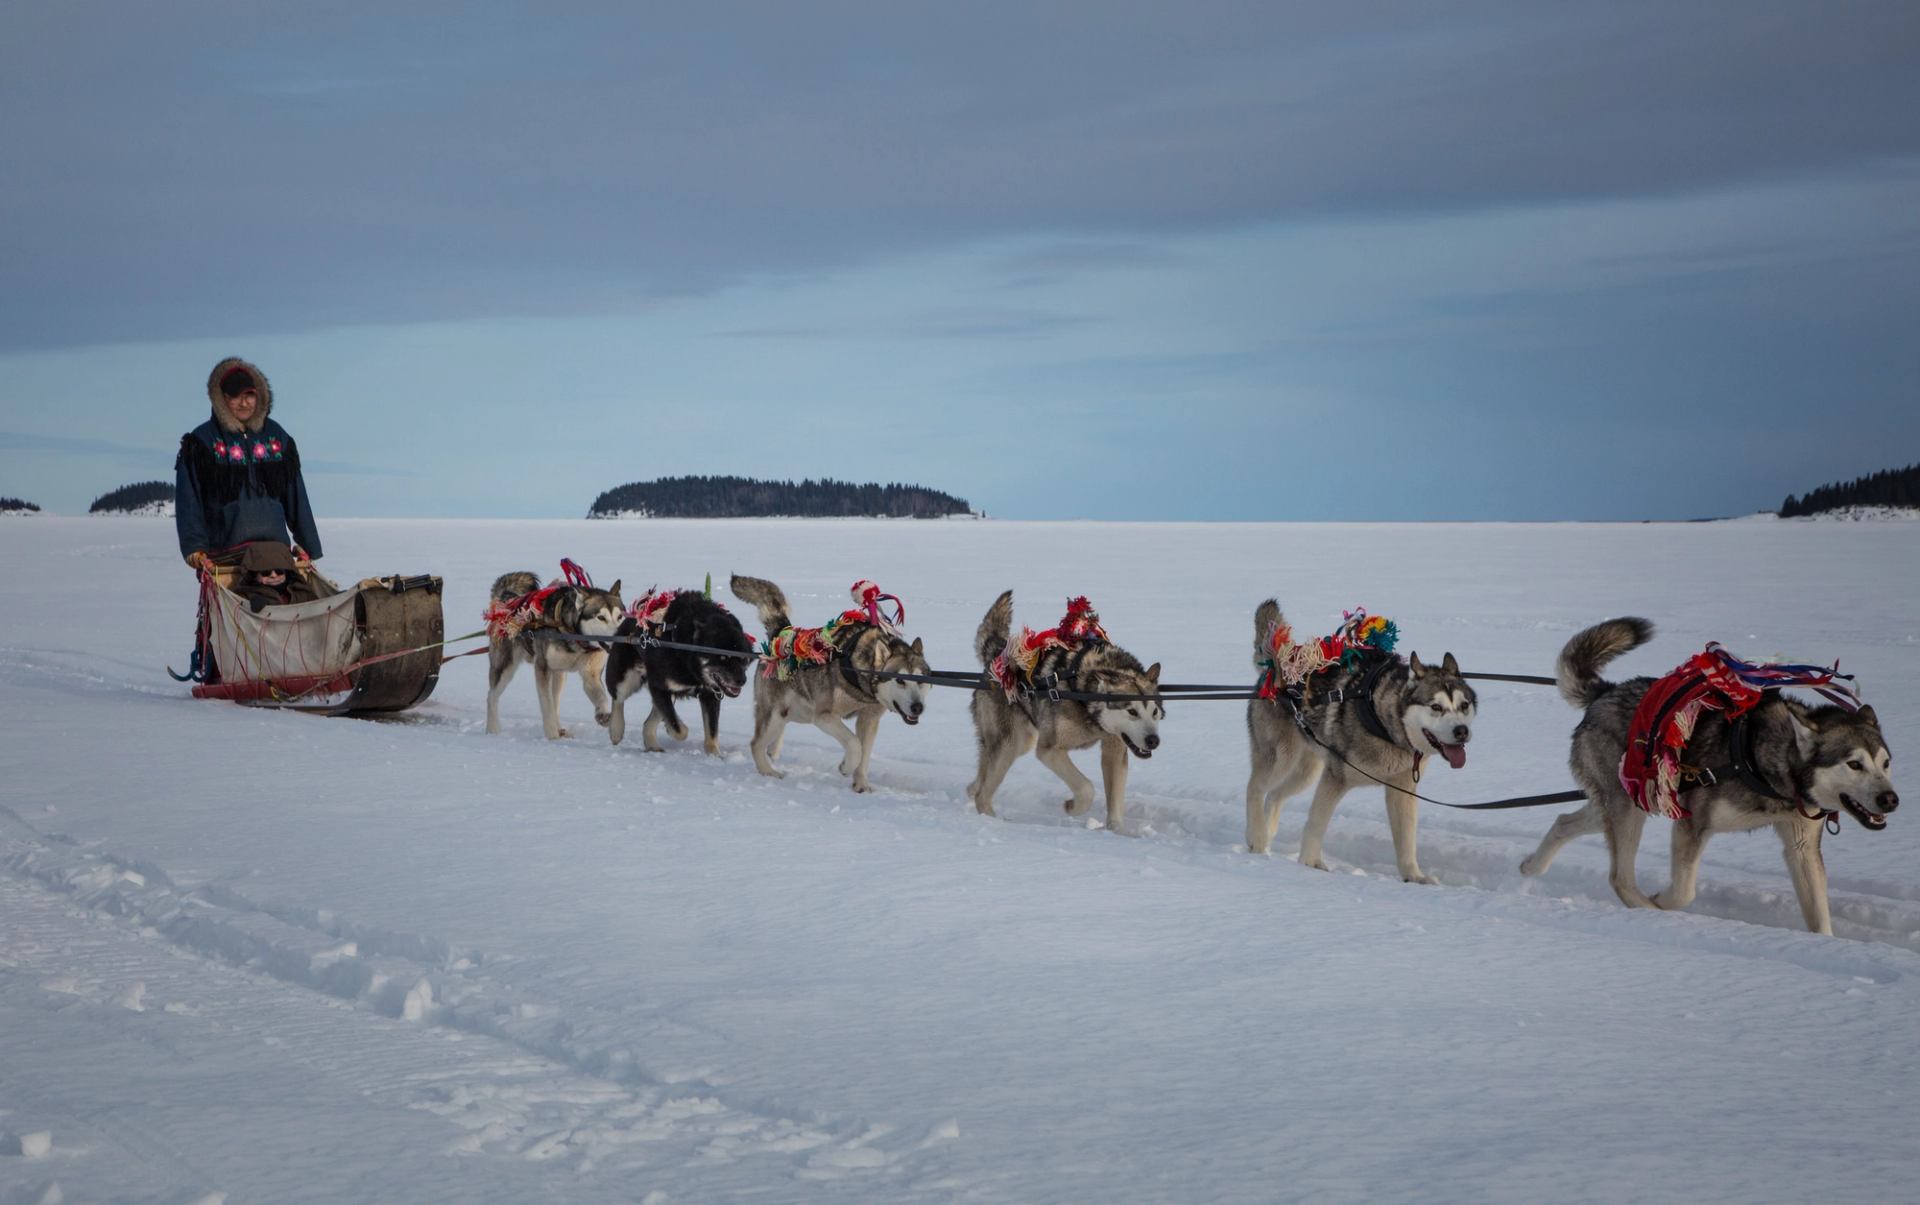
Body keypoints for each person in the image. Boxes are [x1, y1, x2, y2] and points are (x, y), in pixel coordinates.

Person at [174, 357, 322, 572]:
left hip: (275, 553)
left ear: (258, 395)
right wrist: (194, 549)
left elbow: (296, 495)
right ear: (222, 399)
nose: (244, 403)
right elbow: (189, 502)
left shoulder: (277, 437)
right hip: (225, 559)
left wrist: (309, 546)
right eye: (235, 396)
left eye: (249, 395)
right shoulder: (202, 442)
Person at [237, 540, 322, 612]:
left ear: (287, 573)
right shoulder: (244, 596)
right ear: (254, 575)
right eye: (266, 572)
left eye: (279, 571)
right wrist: (247, 605)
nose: (273, 575)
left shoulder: (302, 593)